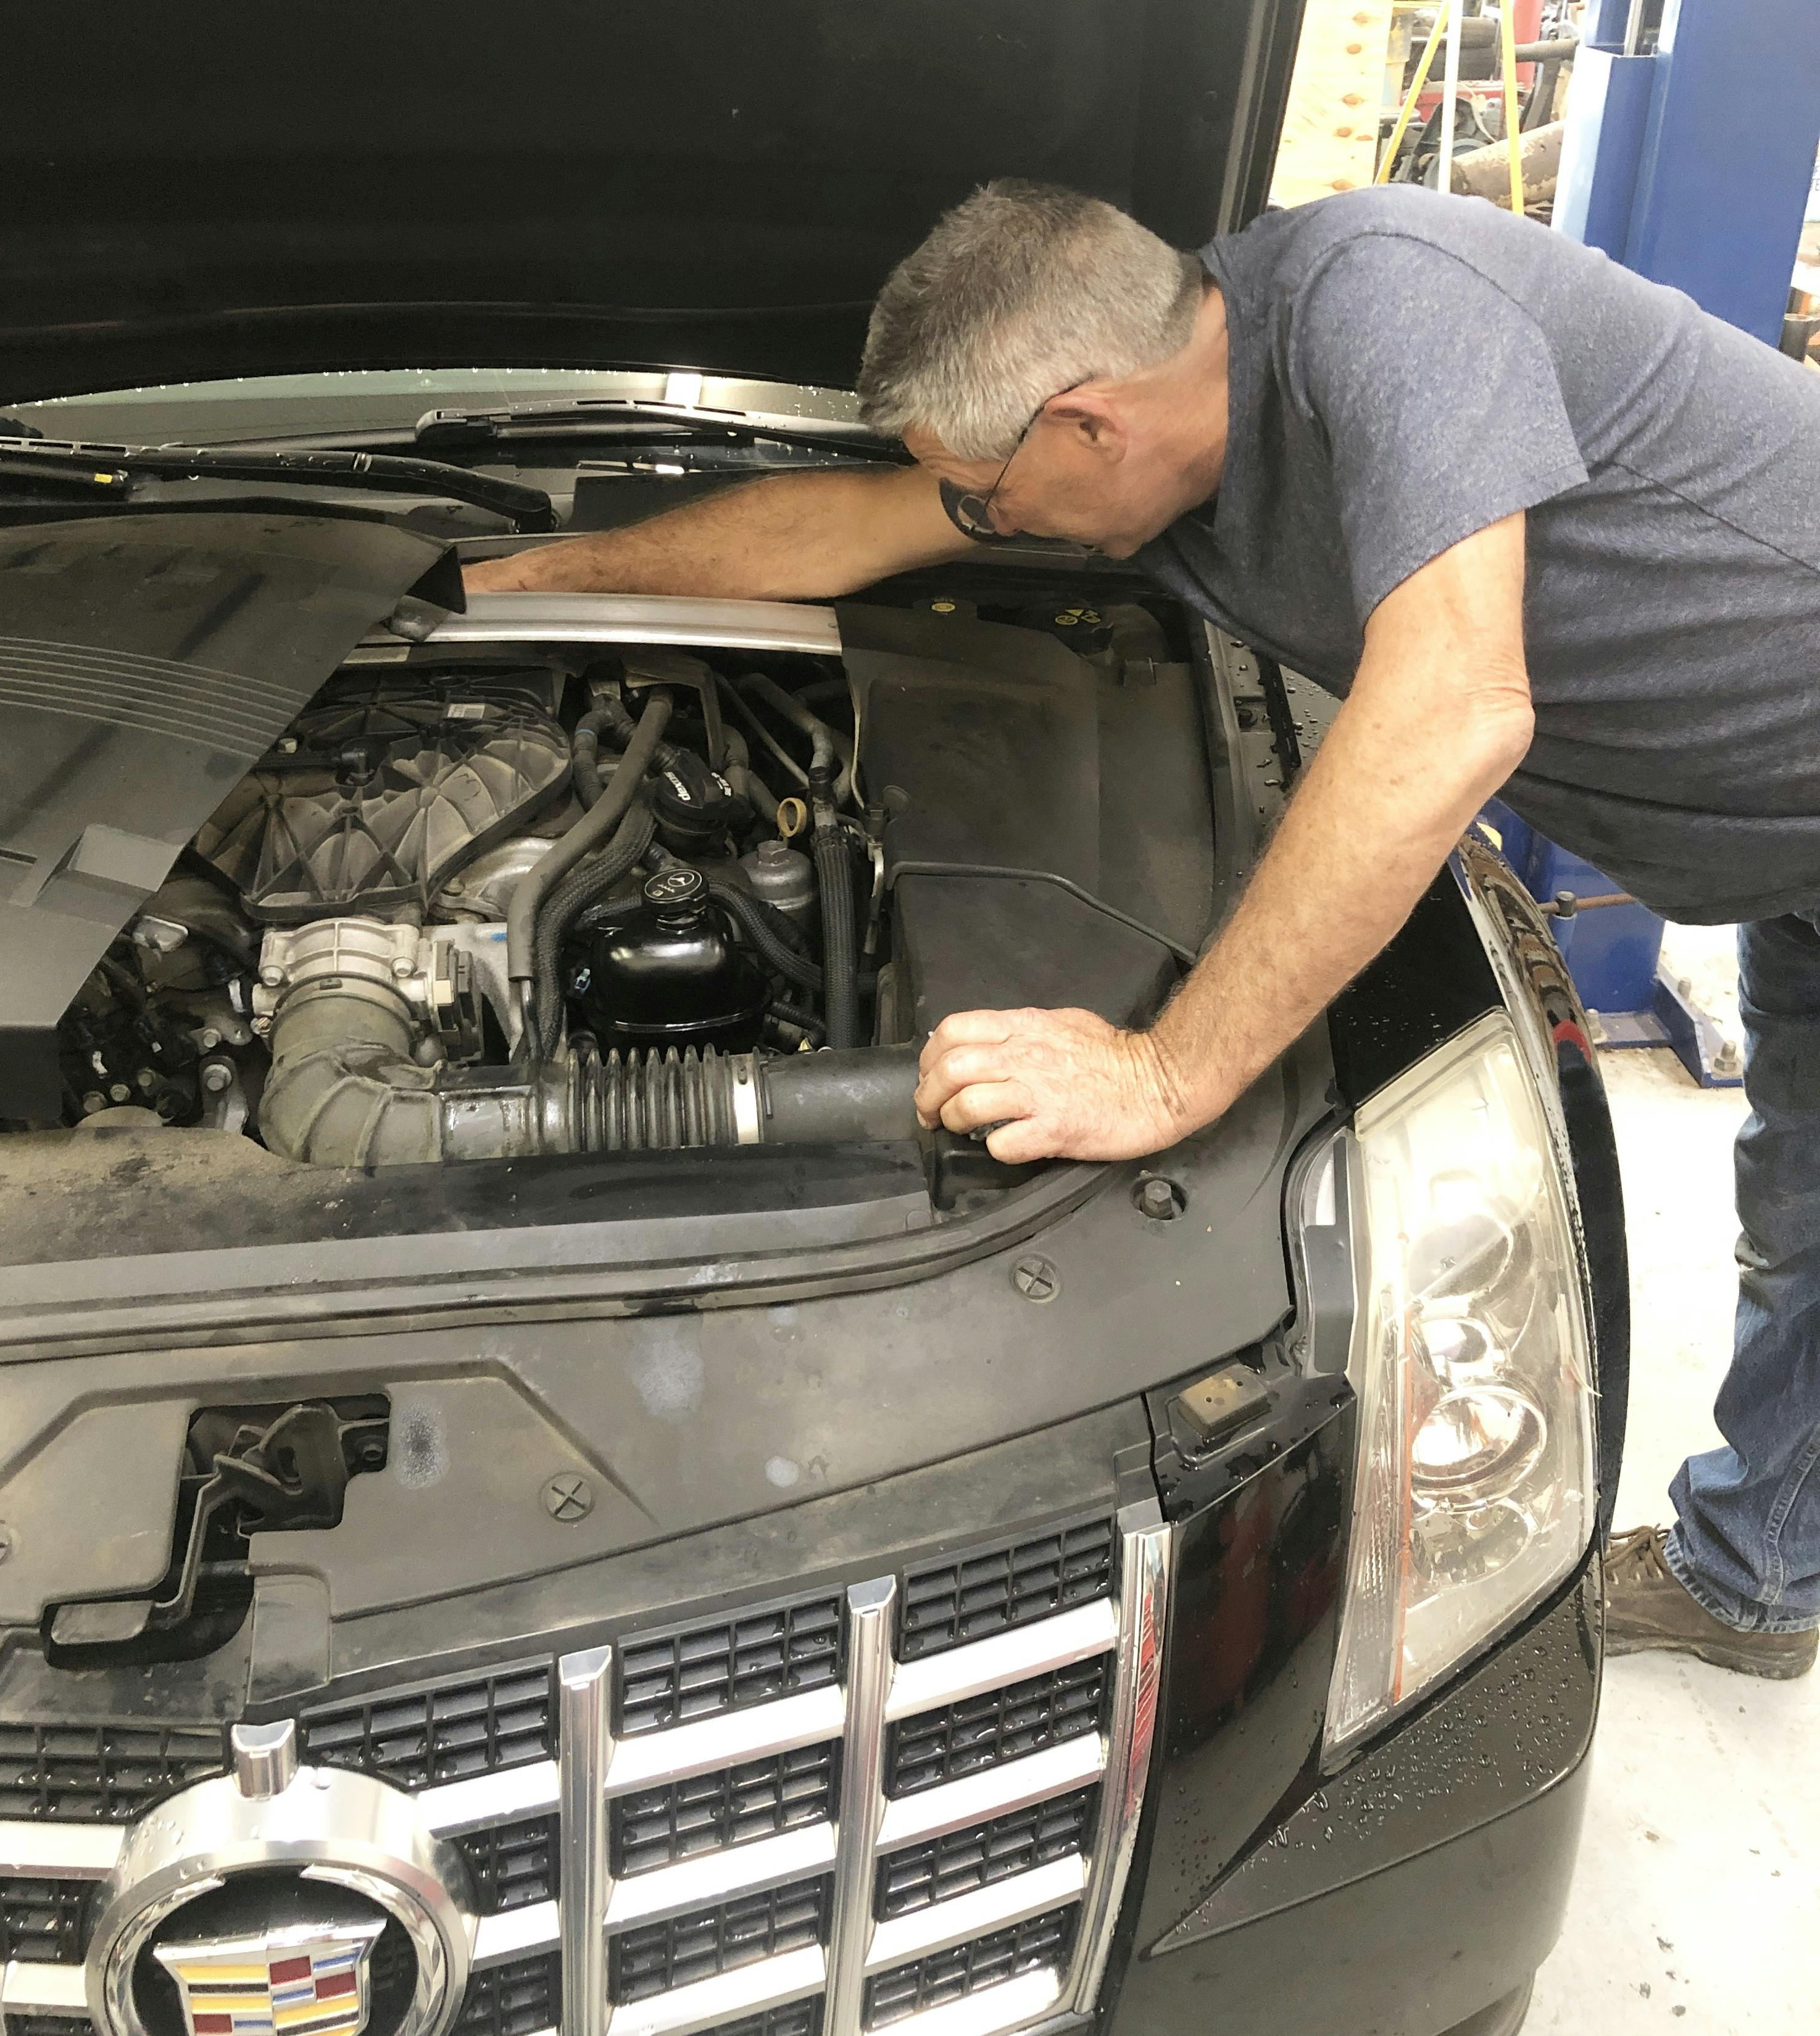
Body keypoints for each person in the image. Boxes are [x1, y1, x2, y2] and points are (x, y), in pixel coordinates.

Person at [466, 179, 1820, 1680]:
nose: (983, 528)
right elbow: (842, 528)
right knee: (1808, 1214)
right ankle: (1760, 1583)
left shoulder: (1393, 300)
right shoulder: (1172, 442)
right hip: (1783, 839)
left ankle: (1758, 1575)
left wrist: (1168, 1071)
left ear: (1092, 425)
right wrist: (506, 585)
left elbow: (1454, 706)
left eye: (988, 497)